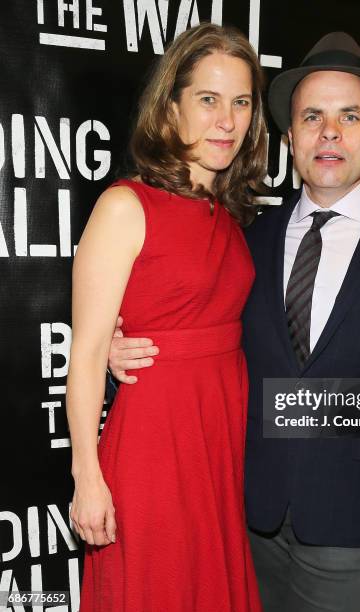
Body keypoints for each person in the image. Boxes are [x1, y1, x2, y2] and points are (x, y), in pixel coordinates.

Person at [108, 32, 360, 612]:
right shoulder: (247, 237)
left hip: (352, 516)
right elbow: (197, 329)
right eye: (312, 117)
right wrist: (114, 345)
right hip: (240, 512)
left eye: (349, 117)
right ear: (289, 138)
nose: (329, 132)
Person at [66, 23, 267, 612]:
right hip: (154, 446)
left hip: (217, 447)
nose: (226, 121)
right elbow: (85, 353)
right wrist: (87, 476)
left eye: (241, 103)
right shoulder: (126, 206)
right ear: (171, 105)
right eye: (208, 100)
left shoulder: (228, 218)